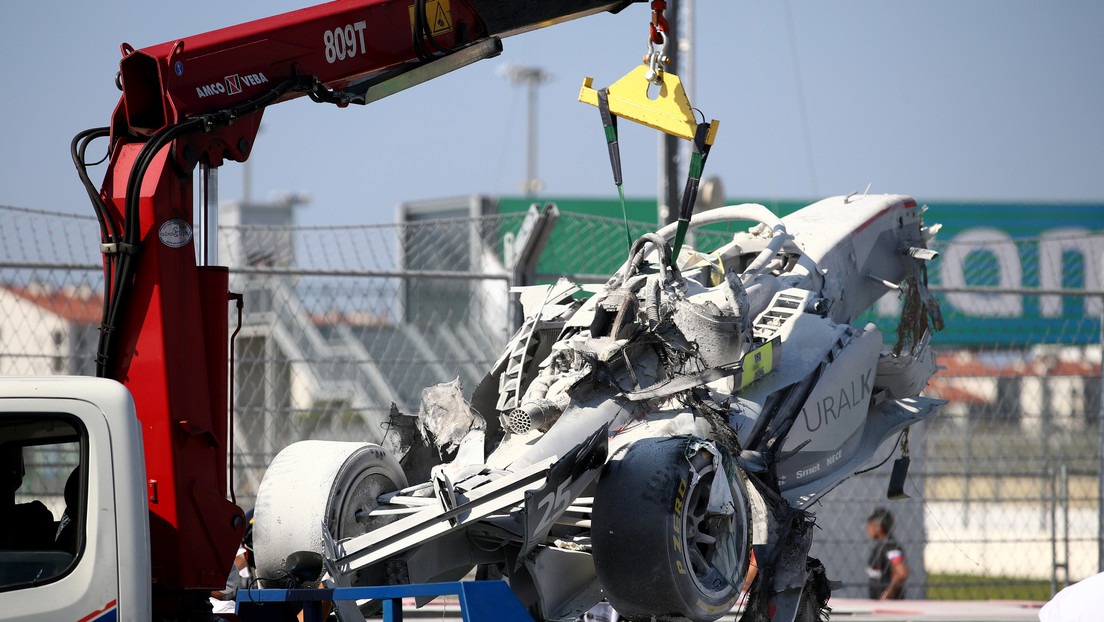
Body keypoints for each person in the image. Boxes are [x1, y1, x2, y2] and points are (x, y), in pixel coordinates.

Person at [864, 507, 908, 599]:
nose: (868, 527)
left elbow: (901, 573)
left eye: (870, 524)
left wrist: (885, 596)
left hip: (889, 608)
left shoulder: (890, 547)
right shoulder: (882, 546)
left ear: (879, 527)